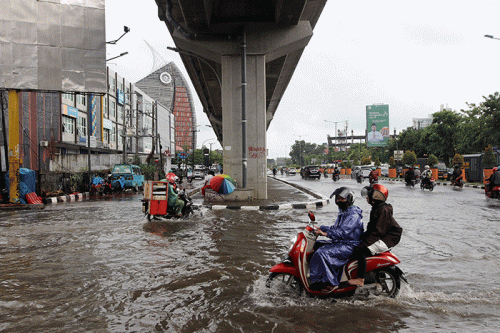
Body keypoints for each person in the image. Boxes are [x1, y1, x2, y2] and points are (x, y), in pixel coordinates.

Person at [309, 187, 364, 292]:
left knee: (322, 253)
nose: (339, 201)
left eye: (342, 199)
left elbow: (343, 232)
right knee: (316, 245)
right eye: (337, 198)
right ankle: (318, 278)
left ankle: (331, 283)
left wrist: (325, 234)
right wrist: (321, 228)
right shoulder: (344, 212)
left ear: (349, 199)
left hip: (349, 245)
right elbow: (336, 228)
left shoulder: (353, 214)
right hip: (342, 242)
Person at [348, 184, 402, 287]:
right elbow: (372, 230)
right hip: (383, 236)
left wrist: (363, 243)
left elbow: (378, 231)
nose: (367, 198)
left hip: (387, 239)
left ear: (376, 196)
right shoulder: (377, 208)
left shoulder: (382, 210)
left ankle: (360, 279)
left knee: (361, 251)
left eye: (369, 195)